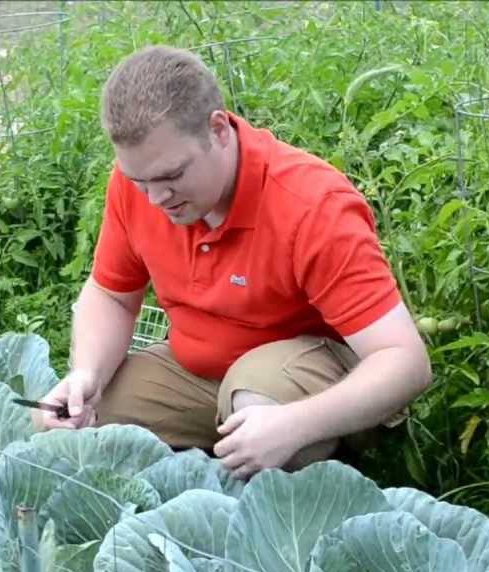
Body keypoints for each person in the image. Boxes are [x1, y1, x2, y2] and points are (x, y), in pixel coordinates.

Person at [32, 45, 432, 480]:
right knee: (78, 422)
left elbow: (405, 362)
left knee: (256, 402)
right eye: (138, 181)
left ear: (218, 130)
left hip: (302, 380)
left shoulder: (312, 207)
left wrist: (295, 424)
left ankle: (299, 506)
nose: (155, 198)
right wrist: (86, 374)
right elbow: (111, 293)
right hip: (200, 375)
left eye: (171, 177)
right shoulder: (144, 183)